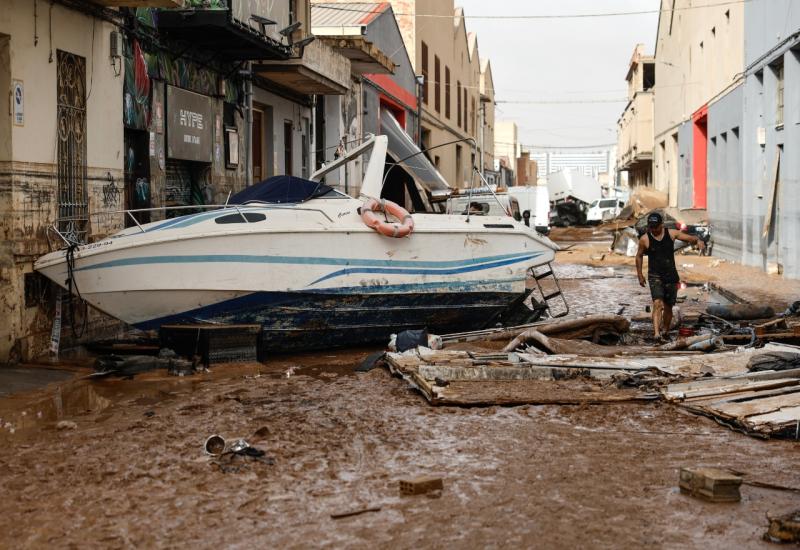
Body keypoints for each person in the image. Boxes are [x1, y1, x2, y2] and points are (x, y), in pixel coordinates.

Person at [636, 212, 706, 341]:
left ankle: (665, 331)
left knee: (668, 306)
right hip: (654, 275)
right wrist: (640, 274)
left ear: (661, 225)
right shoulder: (644, 239)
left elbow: (690, 238)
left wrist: (699, 240)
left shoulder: (672, 233)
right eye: (651, 227)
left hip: (671, 276)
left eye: (656, 227)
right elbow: (639, 255)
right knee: (657, 303)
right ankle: (656, 333)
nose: (654, 230)